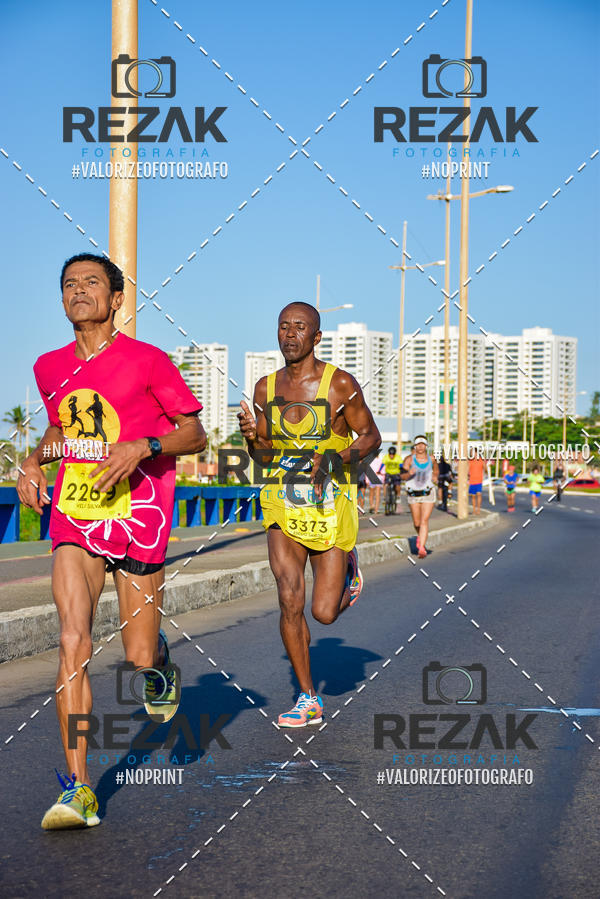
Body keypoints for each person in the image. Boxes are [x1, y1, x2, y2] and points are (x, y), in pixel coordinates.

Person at [17, 253, 206, 830]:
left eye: (91, 283)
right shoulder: (48, 366)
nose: (78, 292)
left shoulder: (148, 361)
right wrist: (33, 459)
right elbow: (60, 424)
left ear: (117, 299)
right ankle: (77, 788)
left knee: (137, 654)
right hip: (77, 512)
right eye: (69, 284)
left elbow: (195, 432)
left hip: (139, 513)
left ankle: (161, 665)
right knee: (72, 638)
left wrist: (142, 447)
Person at [238, 302, 380, 728]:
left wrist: (337, 458)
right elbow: (263, 455)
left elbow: (370, 435)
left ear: (317, 337)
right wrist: (251, 438)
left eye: (300, 327)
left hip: (329, 505)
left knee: (324, 613)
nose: (290, 334)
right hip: (281, 500)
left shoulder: (340, 386)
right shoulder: (265, 389)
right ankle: (307, 696)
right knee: (288, 595)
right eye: (284, 326)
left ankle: (349, 570)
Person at [401, 436, 438, 558]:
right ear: (415, 446)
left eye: (423, 444)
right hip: (413, 494)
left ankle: (421, 547)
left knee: (424, 521)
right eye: (418, 444)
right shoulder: (409, 460)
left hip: (428, 492)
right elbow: (402, 476)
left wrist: (435, 477)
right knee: (417, 522)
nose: (421, 446)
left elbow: (436, 471)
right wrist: (408, 473)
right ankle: (420, 538)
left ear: (426, 446)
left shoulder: (432, 459)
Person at [382, 445, 403, 514]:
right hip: (388, 473)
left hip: (396, 473)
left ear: (395, 454)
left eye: (393, 454)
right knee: (385, 485)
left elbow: (401, 465)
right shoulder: (386, 457)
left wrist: (401, 470)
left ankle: (398, 496)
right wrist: (379, 470)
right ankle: (385, 497)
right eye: (390, 454)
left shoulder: (398, 457)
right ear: (388, 453)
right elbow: (382, 465)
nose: (391, 456)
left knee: (397, 485)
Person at [368, 449, 385, 514]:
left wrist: (367, 480)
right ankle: (376, 509)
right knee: (377, 494)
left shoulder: (370, 461)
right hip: (379, 478)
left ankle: (371, 505)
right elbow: (383, 471)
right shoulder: (381, 461)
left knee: (371, 493)